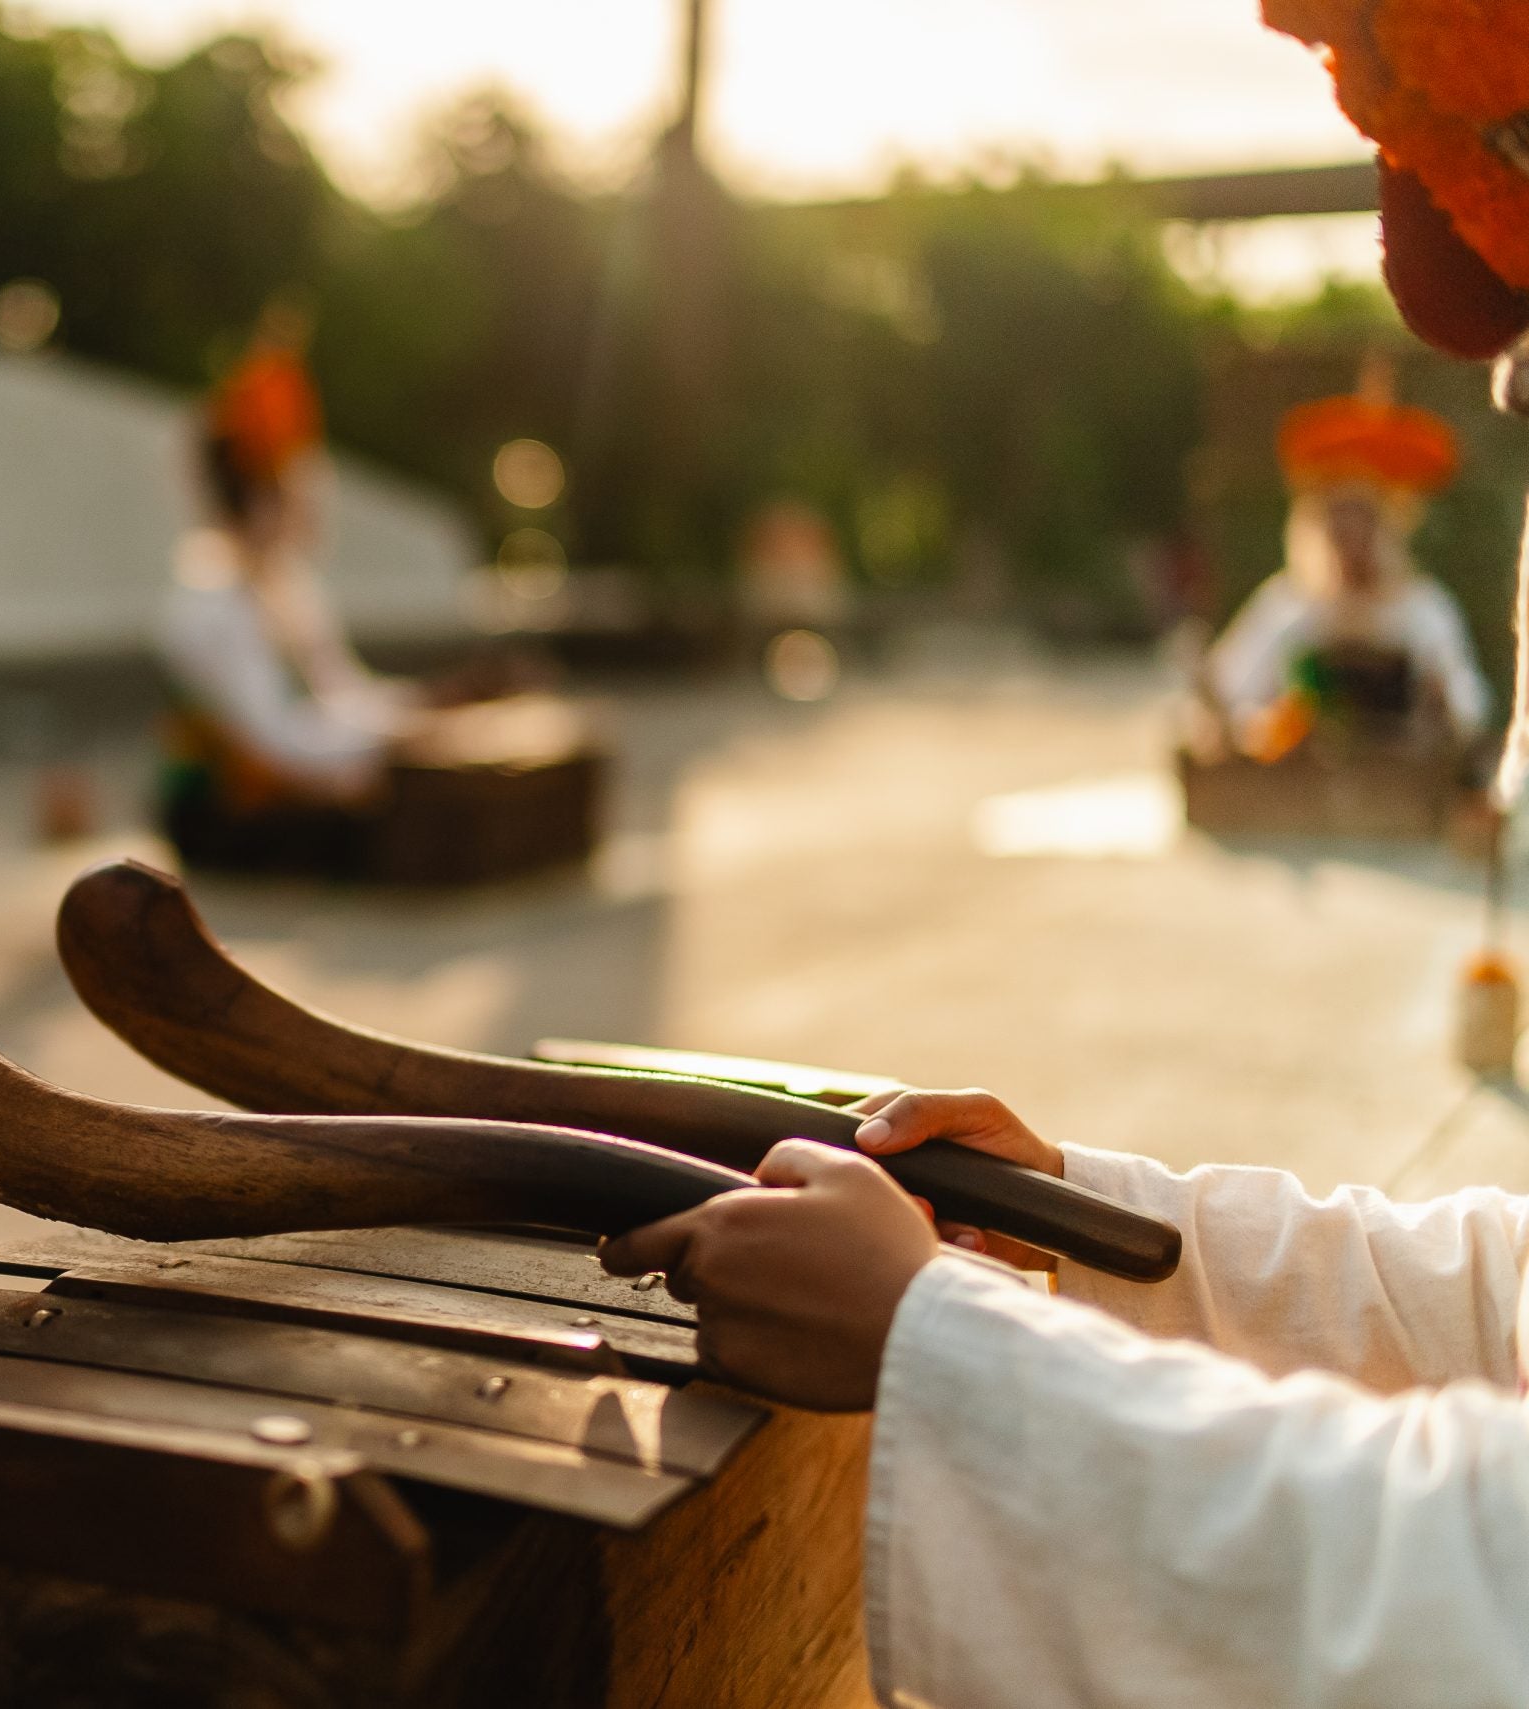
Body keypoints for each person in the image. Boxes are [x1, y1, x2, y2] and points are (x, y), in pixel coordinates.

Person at [594, 7, 1529, 1703]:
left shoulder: (1431, 615)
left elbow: (1473, 1594)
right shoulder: (1302, 604)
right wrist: (1090, 1216)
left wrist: (942, 1348)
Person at [154, 308, 422, 871]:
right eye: (292, 488)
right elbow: (275, 740)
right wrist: (399, 735)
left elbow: (341, 694)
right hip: (233, 827)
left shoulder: (291, 589)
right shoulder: (208, 606)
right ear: (253, 501)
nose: (310, 502)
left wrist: (425, 708)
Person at [1206, 380, 1487, 759]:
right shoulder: (1287, 607)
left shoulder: (1423, 609)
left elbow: (1469, 710)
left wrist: (1439, 708)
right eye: (1337, 518)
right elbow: (1229, 698)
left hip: (1402, 793)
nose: (1349, 534)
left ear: (1387, 527)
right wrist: (1274, 726)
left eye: (1362, 519)